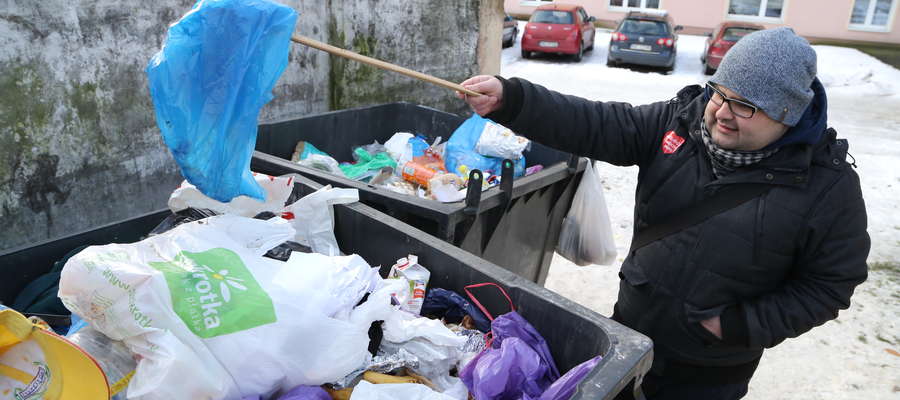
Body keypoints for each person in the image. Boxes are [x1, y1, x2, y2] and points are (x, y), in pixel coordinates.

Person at [457, 27, 869, 400]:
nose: (722, 112)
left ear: (787, 115)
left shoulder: (826, 187)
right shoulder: (680, 122)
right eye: (720, 92)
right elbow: (597, 124)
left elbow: (831, 284)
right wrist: (514, 101)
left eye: (745, 106)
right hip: (628, 332)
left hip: (710, 373)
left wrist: (738, 326)